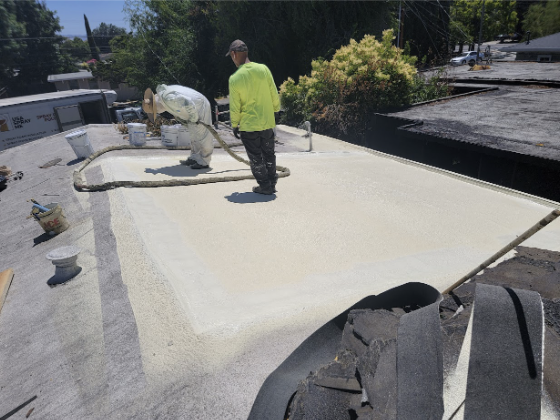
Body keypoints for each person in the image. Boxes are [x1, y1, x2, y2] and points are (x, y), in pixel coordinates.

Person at [226, 40, 280, 195]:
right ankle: (272, 182)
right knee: (269, 154)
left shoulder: (235, 78)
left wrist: (235, 124)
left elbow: (235, 106)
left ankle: (264, 186)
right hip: (267, 123)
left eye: (231, 57)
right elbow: (273, 93)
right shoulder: (263, 69)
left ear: (234, 54)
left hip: (249, 127)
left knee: (256, 158)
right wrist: (276, 111)